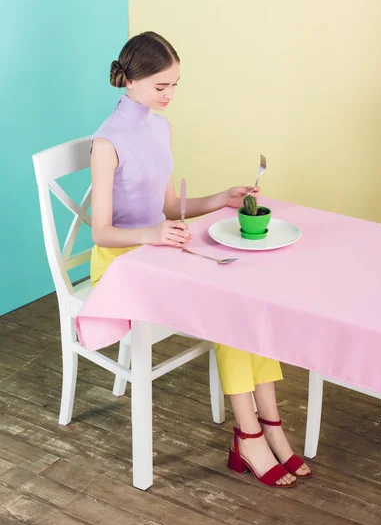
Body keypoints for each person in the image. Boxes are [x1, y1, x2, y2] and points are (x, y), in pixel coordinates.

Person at [90, 31, 311, 488]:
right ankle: (249, 435)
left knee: (245, 298)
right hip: (121, 263)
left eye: (175, 85)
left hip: (161, 249)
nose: (169, 95)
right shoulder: (106, 142)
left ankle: (270, 426)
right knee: (230, 307)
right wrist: (152, 234)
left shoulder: (158, 126)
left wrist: (220, 198)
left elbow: (170, 207)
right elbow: (101, 230)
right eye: (160, 87)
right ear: (128, 81)